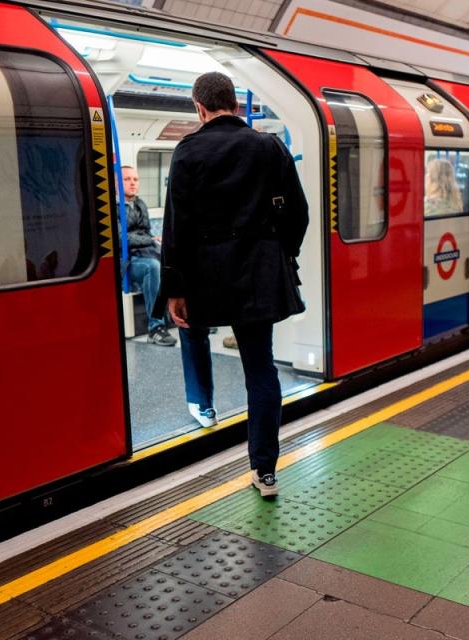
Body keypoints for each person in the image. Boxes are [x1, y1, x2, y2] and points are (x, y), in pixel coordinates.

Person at [157, 72, 308, 497]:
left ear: (199, 107)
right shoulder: (268, 146)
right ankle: (265, 471)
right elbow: (298, 213)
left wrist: (176, 288)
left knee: (193, 333)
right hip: (260, 275)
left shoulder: (188, 151)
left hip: (206, 278)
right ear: (236, 106)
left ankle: (202, 405)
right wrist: (280, 253)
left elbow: (176, 226)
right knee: (260, 368)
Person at [122, 166, 176, 347]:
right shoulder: (112, 208)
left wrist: (154, 240)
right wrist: (150, 239)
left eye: (135, 180)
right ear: (116, 183)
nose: (132, 183)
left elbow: (144, 232)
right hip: (128, 260)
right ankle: (155, 327)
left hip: (144, 252)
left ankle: (184, 313)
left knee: (176, 261)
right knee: (152, 267)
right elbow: (121, 238)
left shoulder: (140, 204)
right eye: (127, 179)